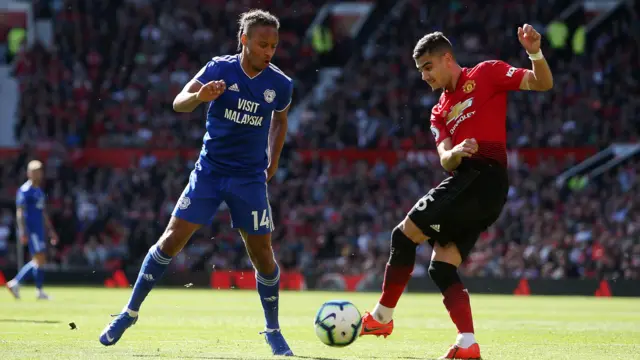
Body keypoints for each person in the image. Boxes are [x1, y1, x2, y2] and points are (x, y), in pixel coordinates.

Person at [99, 9, 294, 356]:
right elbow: (179, 103)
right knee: (172, 239)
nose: (269, 52)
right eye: (263, 44)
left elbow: (280, 119)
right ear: (244, 40)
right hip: (211, 171)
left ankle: (273, 330)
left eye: (274, 46)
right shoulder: (219, 68)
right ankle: (129, 313)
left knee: (263, 255)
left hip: (249, 177)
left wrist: (273, 160)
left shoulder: (279, 84)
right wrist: (200, 97)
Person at [359, 24, 553, 359]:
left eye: (428, 67)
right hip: (471, 182)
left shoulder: (488, 73)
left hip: (482, 178)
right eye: (420, 71)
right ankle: (467, 343)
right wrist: (457, 150)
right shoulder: (439, 110)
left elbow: (542, 83)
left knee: (404, 236)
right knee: (442, 266)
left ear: (447, 58)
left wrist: (534, 53)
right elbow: (445, 160)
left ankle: (381, 318)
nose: (424, 77)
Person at [6, 160, 59, 300]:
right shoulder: (25, 190)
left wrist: (51, 230)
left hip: (39, 229)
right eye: (35, 171)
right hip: (32, 229)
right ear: (29, 173)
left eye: (39, 170)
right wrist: (22, 231)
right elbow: (20, 212)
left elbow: (43, 213)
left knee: (40, 259)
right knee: (39, 258)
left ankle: (20, 285)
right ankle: (22, 284)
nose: (38, 173)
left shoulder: (39, 191)